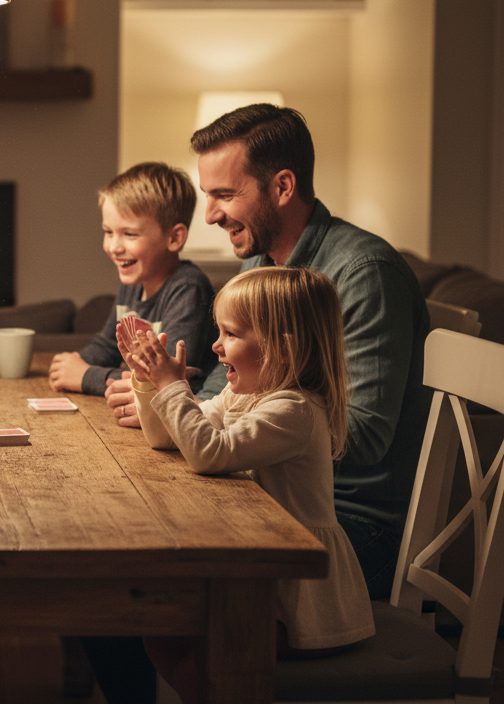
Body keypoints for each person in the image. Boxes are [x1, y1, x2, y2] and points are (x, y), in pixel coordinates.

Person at [106, 103, 431, 597]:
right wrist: (180, 406)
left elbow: (362, 436)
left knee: (138, 583)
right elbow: (225, 378)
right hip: (262, 489)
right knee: (120, 533)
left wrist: (218, 426)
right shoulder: (262, 263)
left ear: (282, 187)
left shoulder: (365, 274)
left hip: (348, 526)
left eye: (224, 195)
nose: (210, 215)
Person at [121, 267, 375, 704]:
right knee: (160, 627)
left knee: (194, 644)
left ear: (282, 347)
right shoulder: (245, 394)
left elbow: (208, 453)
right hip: (260, 568)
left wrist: (174, 387)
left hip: (301, 603)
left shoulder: (294, 410)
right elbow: (168, 438)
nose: (216, 345)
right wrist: (150, 382)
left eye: (230, 334)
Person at [49, 162, 217, 399]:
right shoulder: (134, 282)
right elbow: (108, 345)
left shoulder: (188, 288)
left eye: (129, 234)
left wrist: (86, 376)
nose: (114, 247)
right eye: (108, 232)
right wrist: (74, 363)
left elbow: (166, 379)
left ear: (175, 238)